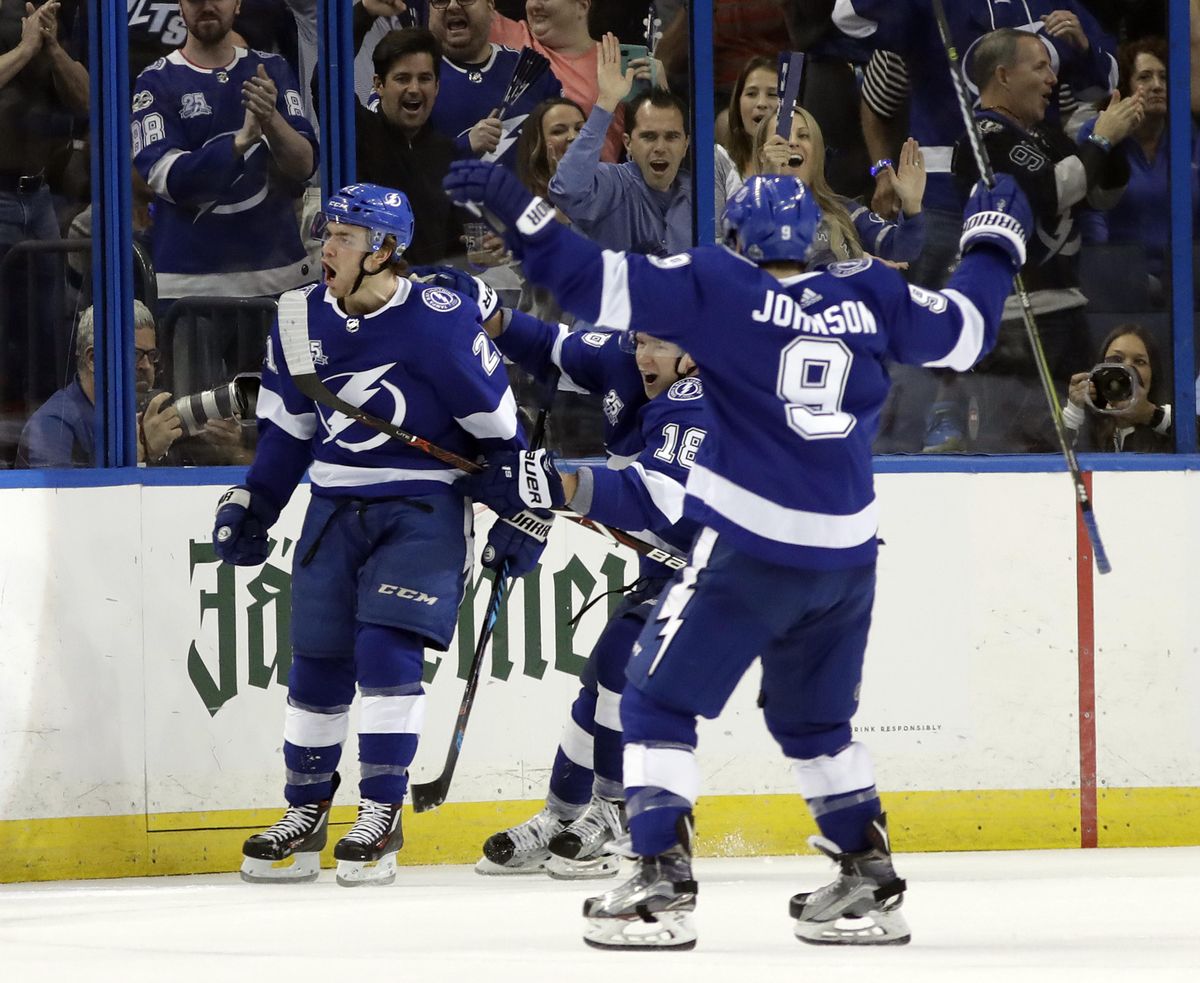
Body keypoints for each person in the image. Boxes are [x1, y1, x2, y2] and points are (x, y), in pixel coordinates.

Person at [442, 158, 1031, 947]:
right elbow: (968, 331)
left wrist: (515, 202)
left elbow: (586, 281)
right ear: (813, 242)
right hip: (850, 556)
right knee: (815, 719)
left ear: (735, 238)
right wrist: (994, 242)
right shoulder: (869, 291)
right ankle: (867, 873)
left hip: (754, 547)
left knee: (652, 698)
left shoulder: (721, 286)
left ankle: (659, 880)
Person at [215, 183, 546, 887]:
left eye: (341, 236)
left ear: (385, 250)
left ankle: (381, 810)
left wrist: (524, 510)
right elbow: (289, 434)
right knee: (317, 664)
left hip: (422, 509)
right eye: (324, 233)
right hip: (332, 508)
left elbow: (505, 438)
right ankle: (304, 815)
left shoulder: (439, 319)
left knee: (385, 647)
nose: (325, 248)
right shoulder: (297, 318)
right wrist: (258, 502)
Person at [460, 310, 707, 878]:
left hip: (732, 573)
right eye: (641, 340)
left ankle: (618, 809)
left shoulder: (703, 398)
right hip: (668, 568)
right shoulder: (627, 360)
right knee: (600, 677)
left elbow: (657, 497)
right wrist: (487, 312)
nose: (644, 356)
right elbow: (548, 346)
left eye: (661, 343)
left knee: (624, 658)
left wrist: (552, 488)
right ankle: (562, 814)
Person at [942, 26, 1141, 453]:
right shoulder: (984, 138)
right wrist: (1101, 138)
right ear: (1004, 75)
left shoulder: (1047, 135)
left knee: (1083, 440)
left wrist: (1115, 144)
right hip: (1018, 324)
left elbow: (1099, 196)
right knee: (1019, 447)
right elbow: (1051, 192)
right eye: (1040, 67)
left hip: (1068, 312)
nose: (1052, 79)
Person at [131, 0, 317, 303]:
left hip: (279, 278)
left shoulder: (271, 69)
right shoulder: (155, 81)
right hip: (189, 289)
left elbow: (304, 165)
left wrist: (272, 121)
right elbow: (169, 179)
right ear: (179, 6)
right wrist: (239, 142)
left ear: (239, 3)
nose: (206, 5)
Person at [548, 34, 689, 255]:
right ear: (628, 143)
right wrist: (606, 101)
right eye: (648, 137)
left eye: (671, 137)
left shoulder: (698, 193)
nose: (660, 147)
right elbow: (567, 190)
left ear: (686, 145)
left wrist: (663, 93)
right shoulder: (612, 184)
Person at [16, 301, 182, 468]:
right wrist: (142, 454)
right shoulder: (53, 426)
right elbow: (67, 493)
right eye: (135, 354)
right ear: (93, 359)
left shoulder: (144, 417)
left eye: (151, 355)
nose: (146, 365)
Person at [1076, 38, 1182, 297]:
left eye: (1164, 77)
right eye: (1145, 77)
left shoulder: (1187, 136)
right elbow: (1091, 212)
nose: (1157, 86)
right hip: (1120, 282)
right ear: (1124, 87)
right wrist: (1114, 271)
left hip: (1183, 283)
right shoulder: (1099, 132)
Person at [755, 106, 926, 265]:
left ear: (817, 153)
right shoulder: (743, 209)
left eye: (803, 135)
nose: (792, 143)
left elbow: (900, 251)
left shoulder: (845, 211)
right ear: (762, 155)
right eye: (782, 136)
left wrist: (911, 205)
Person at [354, 26, 466, 263]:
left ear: (436, 86)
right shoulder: (360, 132)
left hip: (430, 293)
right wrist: (365, 12)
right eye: (402, 78)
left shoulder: (448, 154)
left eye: (424, 78)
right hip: (371, 292)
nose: (414, 89)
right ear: (379, 85)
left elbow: (457, 245)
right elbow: (324, 81)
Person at [424, 0, 563, 168]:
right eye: (440, 0)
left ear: (490, 7)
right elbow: (398, 160)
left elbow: (570, 150)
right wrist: (465, 145)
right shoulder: (414, 78)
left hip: (530, 194)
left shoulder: (529, 69)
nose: (453, 5)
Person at [488, 0, 625, 162]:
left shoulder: (615, 63)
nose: (533, 5)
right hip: (521, 181)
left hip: (594, 182)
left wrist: (659, 85)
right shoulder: (508, 35)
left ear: (582, 5)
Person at [1064, 323, 1173, 452]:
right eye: (1117, 359)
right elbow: (1050, 461)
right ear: (1100, 369)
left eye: (1139, 361)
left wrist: (1149, 415)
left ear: (1153, 373)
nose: (1126, 369)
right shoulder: (1085, 420)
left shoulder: (1169, 418)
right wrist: (1074, 411)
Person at [722, 55, 779, 180]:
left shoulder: (801, 161)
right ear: (737, 103)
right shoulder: (720, 162)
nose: (761, 103)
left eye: (772, 94)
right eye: (751, 94)